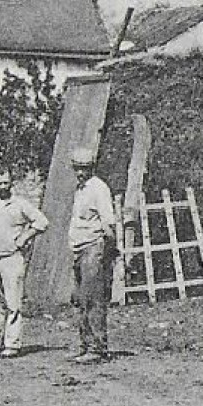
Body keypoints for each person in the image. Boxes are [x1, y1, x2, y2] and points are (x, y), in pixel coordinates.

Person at [0, 169, 49, 358]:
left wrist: (24, 237)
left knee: (13, 303)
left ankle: (12, 344)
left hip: (11, 259)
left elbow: (42, 222)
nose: (2, 187)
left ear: (11, 183)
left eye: (6, 183)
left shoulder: (20, 204)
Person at [67, 148, 118, 365]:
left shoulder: (99, 188)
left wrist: (109, 252)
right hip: (79, 250)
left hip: (93, 248)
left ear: (91, 168)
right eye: (77, 168)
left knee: (93, 299)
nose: (80, 172)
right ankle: (84, 345)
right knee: (80, 299)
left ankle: (98, 348)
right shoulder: (80, 190)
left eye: (84, 168)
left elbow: (108, 224)